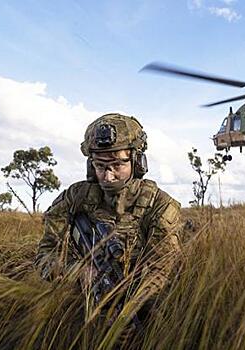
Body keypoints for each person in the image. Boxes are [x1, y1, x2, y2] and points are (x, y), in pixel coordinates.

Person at [34, 113, 181, 321]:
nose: (108, 176)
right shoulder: (76, 198)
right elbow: (44, 255)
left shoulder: (160, 206)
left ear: (137, 162)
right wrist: (78, 272)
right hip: (79, 305)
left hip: (142, 307)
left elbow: (163, 272)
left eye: (117, 165)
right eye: (100, 166)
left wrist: (125, 313)